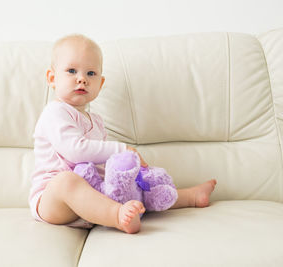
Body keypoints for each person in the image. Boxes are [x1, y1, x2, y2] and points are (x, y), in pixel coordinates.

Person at [29, 34, 217, 234]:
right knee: (66, 181)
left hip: (92, 194)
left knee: (135, 184)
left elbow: (100, 164)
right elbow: (75, 151)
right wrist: (122, 149)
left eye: (91, 73)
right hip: (53, 200)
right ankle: (118, 216)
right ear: (52, 78)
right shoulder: (55, 112)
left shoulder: (97, 122)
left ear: (100, 84)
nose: (82, 78)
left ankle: (190, 197)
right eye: (71, 71)